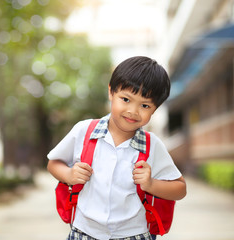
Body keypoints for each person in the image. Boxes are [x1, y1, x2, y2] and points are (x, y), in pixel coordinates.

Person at [47, 56, 187, 240]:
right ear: (111, 93)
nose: (133, 111)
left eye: (145, 105)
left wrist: (151, 184)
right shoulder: (84, 131)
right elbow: (53, 163)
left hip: (134, 234)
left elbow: (180, 189)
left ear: (154, 110)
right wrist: (69, 175)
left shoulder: (153, 145)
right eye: (126, 99)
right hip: (84, 232)